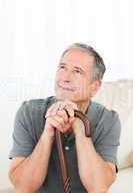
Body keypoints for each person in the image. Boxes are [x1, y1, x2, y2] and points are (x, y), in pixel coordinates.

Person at [8, 43, 121, 193]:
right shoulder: (29, 112)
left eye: (77, 71)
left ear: (94, 87)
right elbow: (23, 186)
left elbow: (98, 188)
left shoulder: (108, 120)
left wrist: (81, 130)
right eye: (62, 67)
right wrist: (47, 134)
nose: (65, 77)